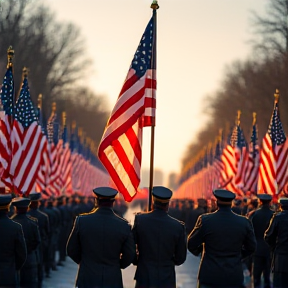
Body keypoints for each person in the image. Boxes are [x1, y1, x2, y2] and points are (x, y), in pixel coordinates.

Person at [67, 187, 136, 288]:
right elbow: (130, 254)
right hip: (112, 278)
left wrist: (85, 262)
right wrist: (117, 265)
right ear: (113, 202)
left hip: (88, 277)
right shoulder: (123, 225)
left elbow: (71, 249)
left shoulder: (82, 221)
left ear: (96, 201)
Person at [188, 189, 256, 288]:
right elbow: (252, 247)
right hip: (233, 275)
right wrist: (238, 255)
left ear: (216, 202)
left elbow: (191, 244)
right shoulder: (244, 222)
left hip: (209, 275)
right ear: (231, 204)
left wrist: (203, 252)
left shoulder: (205, 220)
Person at [132, 186, 187, 288]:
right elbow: (180, 258)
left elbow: (131, 246)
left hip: (144, 275)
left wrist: (137, 260)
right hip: (166, 278)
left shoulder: (140, 220)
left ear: (153, 202)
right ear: (168, 205)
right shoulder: (178, 226)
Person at [11, 197, 41, 288]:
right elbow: (37, 241)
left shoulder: (11, 222)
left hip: (14, 259)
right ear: (27, 208)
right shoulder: (32, 223)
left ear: (15, 208)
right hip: (30, 258)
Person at [0, 194, 27, 288]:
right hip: (9, 273)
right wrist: (15, 267)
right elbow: (22, 253)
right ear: (8, 209)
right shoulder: (16, 227)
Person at [250, 194, 274, 288]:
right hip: (269, 248)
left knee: (256, 275)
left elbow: (250, 232)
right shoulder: (274, 215)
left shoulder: (254, 214)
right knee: (267, 274)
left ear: (260, 202)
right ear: (270, 202)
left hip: (257, 247)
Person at [28, 192, 50, 288]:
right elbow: (47, 232)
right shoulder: (43, 216)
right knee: (40, 264)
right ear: (38, 203)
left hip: (26, 244)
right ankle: (39, 283)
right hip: (39, 244)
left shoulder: (25, 216)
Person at [264, 197, 288, 288]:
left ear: (280, 206)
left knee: (280, 283)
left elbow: (268, 236)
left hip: (281, 258)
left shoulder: (278, 217)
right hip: (280, 254)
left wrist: (274, 248)